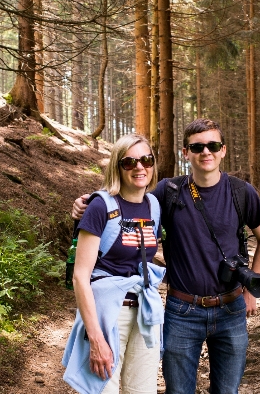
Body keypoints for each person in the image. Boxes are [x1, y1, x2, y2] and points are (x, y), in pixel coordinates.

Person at [72, 119, 260, 394]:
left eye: (213, 145)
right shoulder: (167, 192)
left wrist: (250, 290)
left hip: (230, 308)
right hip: (182, 310)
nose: (206, 152)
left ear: (223, 150)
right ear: (185, 152)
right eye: (197, 146)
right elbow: (126, 196)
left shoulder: (241, 192)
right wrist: (88, 203)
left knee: (227, 390)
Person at [62, 134, 166, 394]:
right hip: (108, 312)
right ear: (117, 167)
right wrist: (96, 338)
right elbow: (80, 277)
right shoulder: (100, 206)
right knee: (103, 389)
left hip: (145, 310)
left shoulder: (153, 205)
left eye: (146, 160)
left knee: (142, 390)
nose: (139, 167)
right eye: (129, 162)